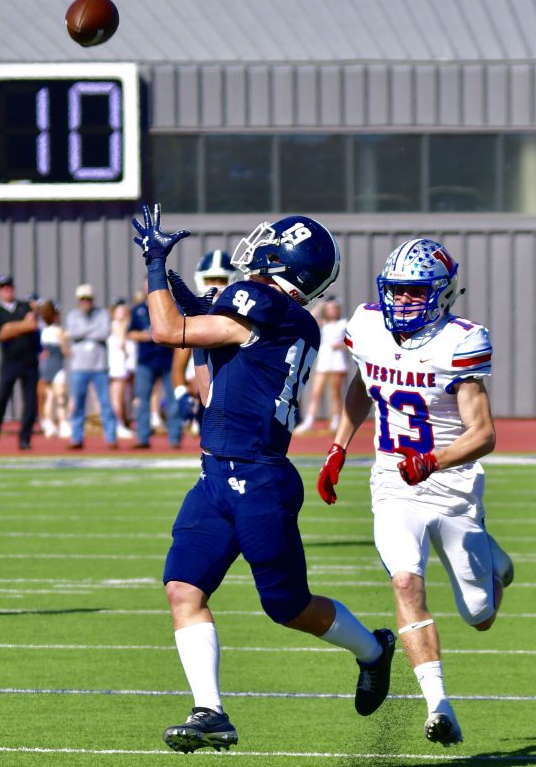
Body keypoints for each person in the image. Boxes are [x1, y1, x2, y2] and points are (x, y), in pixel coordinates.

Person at [132, 204, 396, 754]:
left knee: (287, 607)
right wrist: (185, 296)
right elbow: (210, 358)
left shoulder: (268, 308)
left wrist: (156, 266)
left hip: (259, 479)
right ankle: (210, 711)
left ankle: (373, 649)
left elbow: (166, 330)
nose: (255, 248)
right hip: (215, 473)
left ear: (285, 263)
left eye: (270, 246)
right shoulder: (274, 316)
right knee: (183, 588)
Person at [315, 237, 514, 748]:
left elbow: (484, 434)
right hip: (392, 481)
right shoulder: (366, 326)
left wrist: (433, 461)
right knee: (406, 583)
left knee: (481, 617)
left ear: (442, 293)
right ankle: (438, 705)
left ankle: (492, 559)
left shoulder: (459, 342)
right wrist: (339, 447)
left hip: (452, 485)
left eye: (414, 291)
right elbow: (362, 383)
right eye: (396, 291)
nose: (402, 301)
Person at [170, 250, 235, 433]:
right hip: (205, 394)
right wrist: (182, 395)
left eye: (221, 280)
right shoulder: (193, 317)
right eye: (210, 280)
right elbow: (178, 367)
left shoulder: (242, 314)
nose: (215, 286)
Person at [0, 275, 39, 451]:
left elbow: (32, 326)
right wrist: (21, 325)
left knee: (30, 402)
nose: (6, 290)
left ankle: (25, 439)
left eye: (9, 286)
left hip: (29, 361)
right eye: (3, 287)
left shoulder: (24, 306)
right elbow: (1, 334)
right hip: (10, 362)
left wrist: (12, 327)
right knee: (0, 400)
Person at [127, 277, 182, 450]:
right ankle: (143, 437)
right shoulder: (138, 310)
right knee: (142, 400)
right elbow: (130, 333)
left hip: (168, 360)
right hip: (146, 360)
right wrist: (145, 336)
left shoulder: (172, 307)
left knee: (173, 400)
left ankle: (175, 438)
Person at [64, 284, 119, 450]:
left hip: (99, 366)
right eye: (82, 300)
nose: (85, 303)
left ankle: (111, 438)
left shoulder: (101, 313)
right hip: (79, 366)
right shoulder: (73, 316)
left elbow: (104, 332)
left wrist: (84, 332)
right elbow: (73, 333)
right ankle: (76, 438)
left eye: (88, 299)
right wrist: (90, 331)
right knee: (78, 404)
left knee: (105, 403)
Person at [295, 297, 348, 434]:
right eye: (329, 309)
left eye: (333, 309)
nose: (331, 311)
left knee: (336, 393)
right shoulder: (323, 323)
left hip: (338, 363)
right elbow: (309, 318)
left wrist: (341, 345)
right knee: (316, 393)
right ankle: (309, 421)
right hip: (323, 363)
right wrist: (320, 306)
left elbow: (349, 343)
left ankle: (336, 421)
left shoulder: (343, 323)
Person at [37, 299, 69, 439]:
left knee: (55, 395)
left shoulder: (46, 331)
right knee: (56, 395)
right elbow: (65, 351)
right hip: (53, 365)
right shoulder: (55, 331)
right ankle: (56, 423)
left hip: (52, 365)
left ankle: (55, 423)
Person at [107, 298, 135, 441]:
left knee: (124, 398)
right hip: (117, 365)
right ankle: (117, 425)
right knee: (116, 398)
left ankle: (121, 423)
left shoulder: (124, 325)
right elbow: (122, 343)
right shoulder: (117, 325)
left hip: (123, 365)